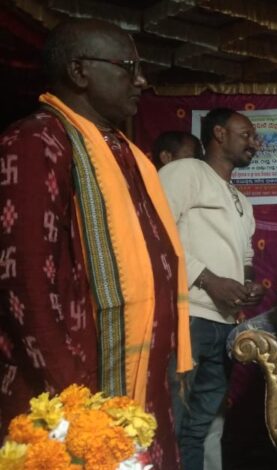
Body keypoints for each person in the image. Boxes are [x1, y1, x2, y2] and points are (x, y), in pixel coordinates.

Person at [0, 19, 191, 467]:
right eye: (129, 67)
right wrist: (77, 403)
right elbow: (26, 286)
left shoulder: (124, 152)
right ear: (79, 71)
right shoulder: (35, 141)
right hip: (75, 397)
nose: (141, 81)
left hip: (141, 388)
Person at [159, 108, 265, 469]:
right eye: (246, 135)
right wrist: (208, 280)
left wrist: (247, 283)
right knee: (173, 424)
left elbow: (246, 255)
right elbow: (158, 232)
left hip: (224, 323)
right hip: (187, 316)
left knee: (199, 428)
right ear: (219, 134)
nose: (254, 144)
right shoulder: (185, 172)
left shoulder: (241, 199)